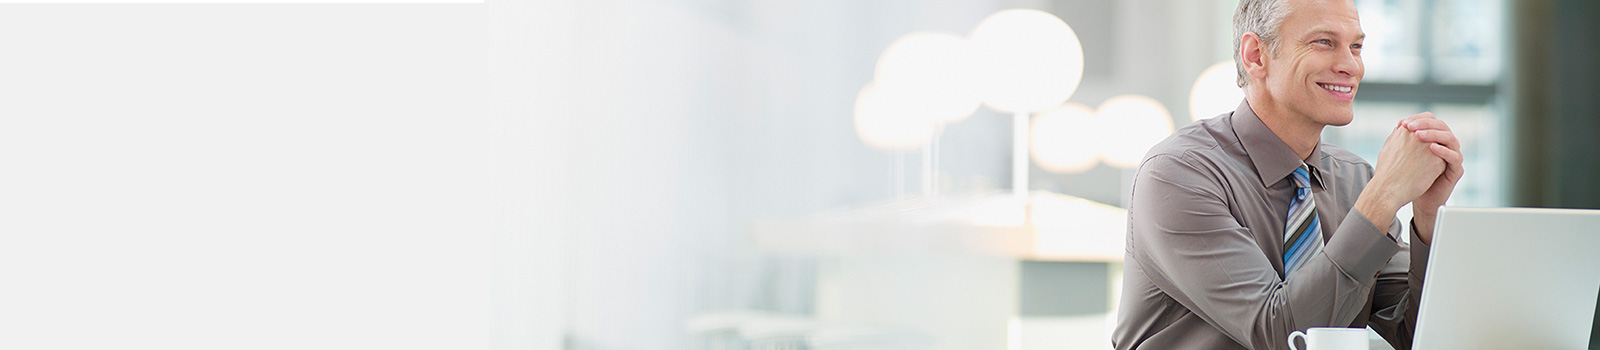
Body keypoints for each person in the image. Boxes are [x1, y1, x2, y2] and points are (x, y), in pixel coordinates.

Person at [1110, 0, 1465, 349]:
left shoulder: (1356, 180)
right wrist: (1384, 195)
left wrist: (1429, 218)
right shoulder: (1177, 175)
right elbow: (1282, 336)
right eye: (1324, 42)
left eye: (1356, 46)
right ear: (1256, 55)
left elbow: (1414, 335)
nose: (1350, 65)